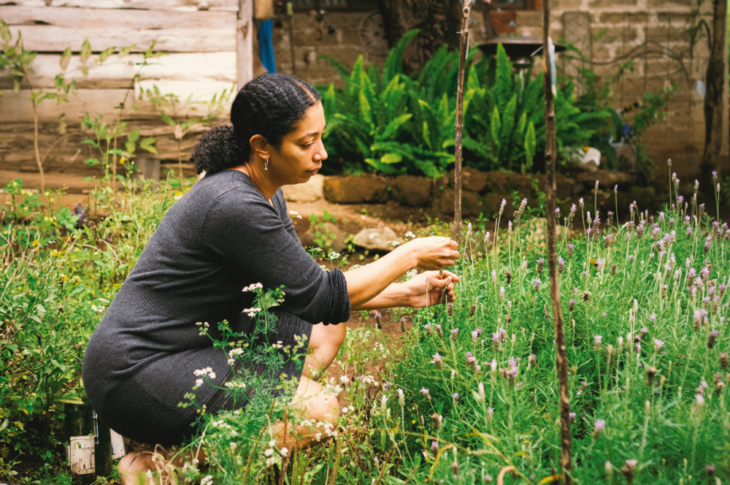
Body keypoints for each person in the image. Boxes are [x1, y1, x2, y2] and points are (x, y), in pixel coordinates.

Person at [81, 74, 460, 484]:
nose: (322, 153)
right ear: (262, 146)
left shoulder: (262, 189)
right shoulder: (232, 204)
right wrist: (410, 253)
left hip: (187, 346)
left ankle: (248, 423)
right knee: (319, 412)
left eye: (321, 137)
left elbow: (302, 289)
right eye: (306, 143)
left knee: (326, 333)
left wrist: (406, 294)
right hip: (136, 373)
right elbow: (319, 295)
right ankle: (159, 468)